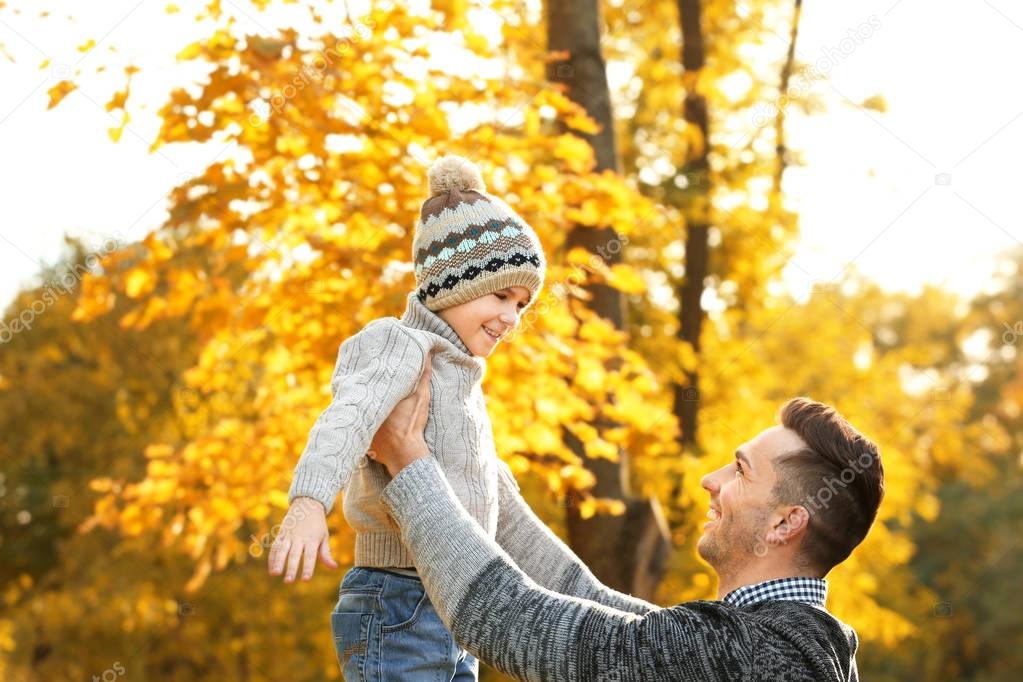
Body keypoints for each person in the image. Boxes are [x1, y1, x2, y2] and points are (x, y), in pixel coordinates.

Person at [268, 155, 654, 681]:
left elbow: (507, 519)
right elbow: (348, 418)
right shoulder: (399, 344)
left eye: (521, 303)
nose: (513, 318)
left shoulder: (463, 386)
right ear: (453, 285)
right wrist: (309, 502)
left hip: (457, 605)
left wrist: (600, 605)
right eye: (501, 296)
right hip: (398, 599)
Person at [364, 365, 884, 682]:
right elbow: (583, 597)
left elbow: (513, 623)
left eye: (741, 471)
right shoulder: (794, 644)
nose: (710, 479)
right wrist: (474, 468)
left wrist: (408, 464)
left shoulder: (747, 655)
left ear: (785, 523)